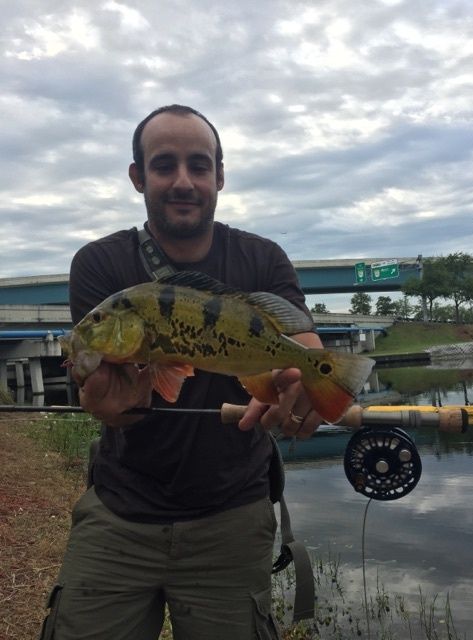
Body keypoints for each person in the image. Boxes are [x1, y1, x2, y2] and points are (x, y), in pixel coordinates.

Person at [40, 104, 324, 640]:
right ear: (137, 176)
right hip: (119, 511)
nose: (183, 181)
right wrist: (107, 403)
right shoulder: (99, 265)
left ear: (219, 175)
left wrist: (304, 379)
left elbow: (300, 341)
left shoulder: (262, 258)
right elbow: (100, 384)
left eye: (199, 165)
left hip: (233, 515)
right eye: (164, 164)